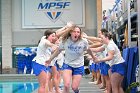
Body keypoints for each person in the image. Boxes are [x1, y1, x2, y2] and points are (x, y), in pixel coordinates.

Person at [46, 26, 96, 93]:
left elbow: (88, 49)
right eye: (74, 32)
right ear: (70, 32)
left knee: (74, 87)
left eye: (78, 32)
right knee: (66, 85)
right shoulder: (65, 41)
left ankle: (77, 91)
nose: (76, 34)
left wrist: (93, 57)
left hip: (79, 66)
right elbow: (58, 51)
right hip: (68, 64)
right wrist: (50, 59)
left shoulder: (83, 41)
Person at [32, 22, 75, 93]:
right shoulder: (44, 40)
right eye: (52, 36)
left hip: (42, 64)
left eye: (54, 36)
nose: (54, 37)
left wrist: (65, 27)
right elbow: (48, 43)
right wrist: (53, 45)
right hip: (38, 63)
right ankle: (53, 90)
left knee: (45, 83)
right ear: (47, 35)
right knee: (43, 84)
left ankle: (50, 91)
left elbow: (56, 33)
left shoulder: (46, 38)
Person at [94, 28, 126, 93]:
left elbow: (110, 57)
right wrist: (87, 48)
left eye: (102, 38)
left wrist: (99, 60)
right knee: (118, 86)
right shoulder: (107, 44)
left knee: (115, 88)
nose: (101, 39)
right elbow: (98, 49)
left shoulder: (110, 45)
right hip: (117, 65)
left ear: (106, 37)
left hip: (118, 66)